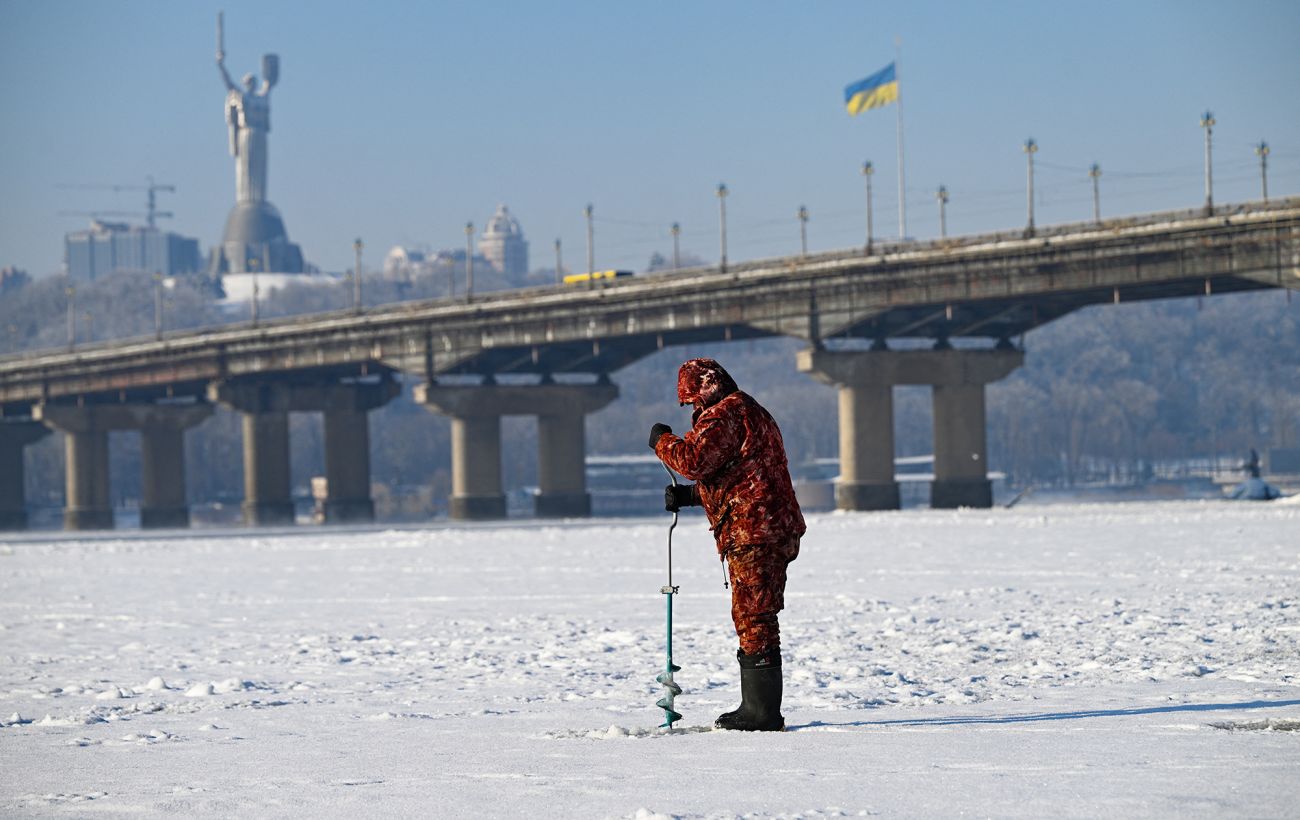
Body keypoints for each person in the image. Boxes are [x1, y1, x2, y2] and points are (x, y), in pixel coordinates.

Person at [649, 357, 805, 731]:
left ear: (703, 391)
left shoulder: (725, 415)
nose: (692, 409)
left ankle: (761, 712)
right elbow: (744, 477)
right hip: (771, 524)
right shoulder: (751, 411)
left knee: (754, 617)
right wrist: (691, 497)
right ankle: (757, 706)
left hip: (756, 531)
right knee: (755, 614)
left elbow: (694, 459)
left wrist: (662, 441)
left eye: (691, 400)